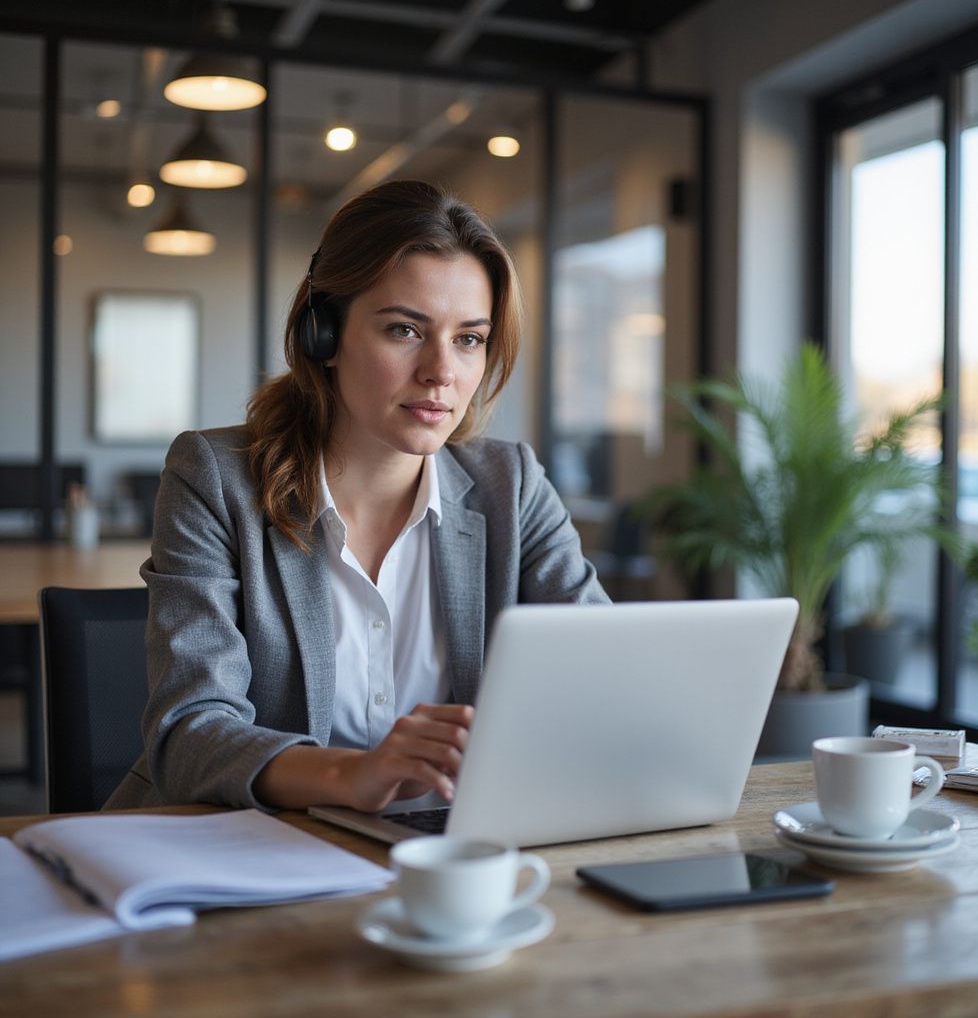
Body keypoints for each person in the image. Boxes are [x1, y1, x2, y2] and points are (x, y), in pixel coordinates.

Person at [106, 179, 608, 814]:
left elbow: (604, 676)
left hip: (450, 856)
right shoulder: (215, 477)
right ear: (325, 334)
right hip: (254, 847)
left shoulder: (511, 485)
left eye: (469, 339)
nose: (441, 372)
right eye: (404, 330)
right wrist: (353, 775)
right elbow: (189, 733)